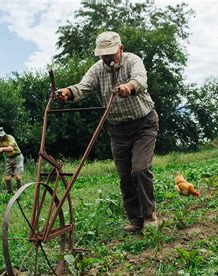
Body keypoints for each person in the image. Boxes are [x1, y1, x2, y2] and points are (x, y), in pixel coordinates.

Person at [56, 31, 159, 233]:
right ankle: (135, 220)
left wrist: (129, 87)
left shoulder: (133, 61)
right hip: (118, 130)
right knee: (125, 176)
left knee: (139, 169)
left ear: (121, 49)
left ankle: (150, 216)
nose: (107, 58)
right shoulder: (97, 69)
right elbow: (83, 87)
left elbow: (141, 80)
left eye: (110, 53)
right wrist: (68, 92)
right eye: (103, 55)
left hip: (143, 124)